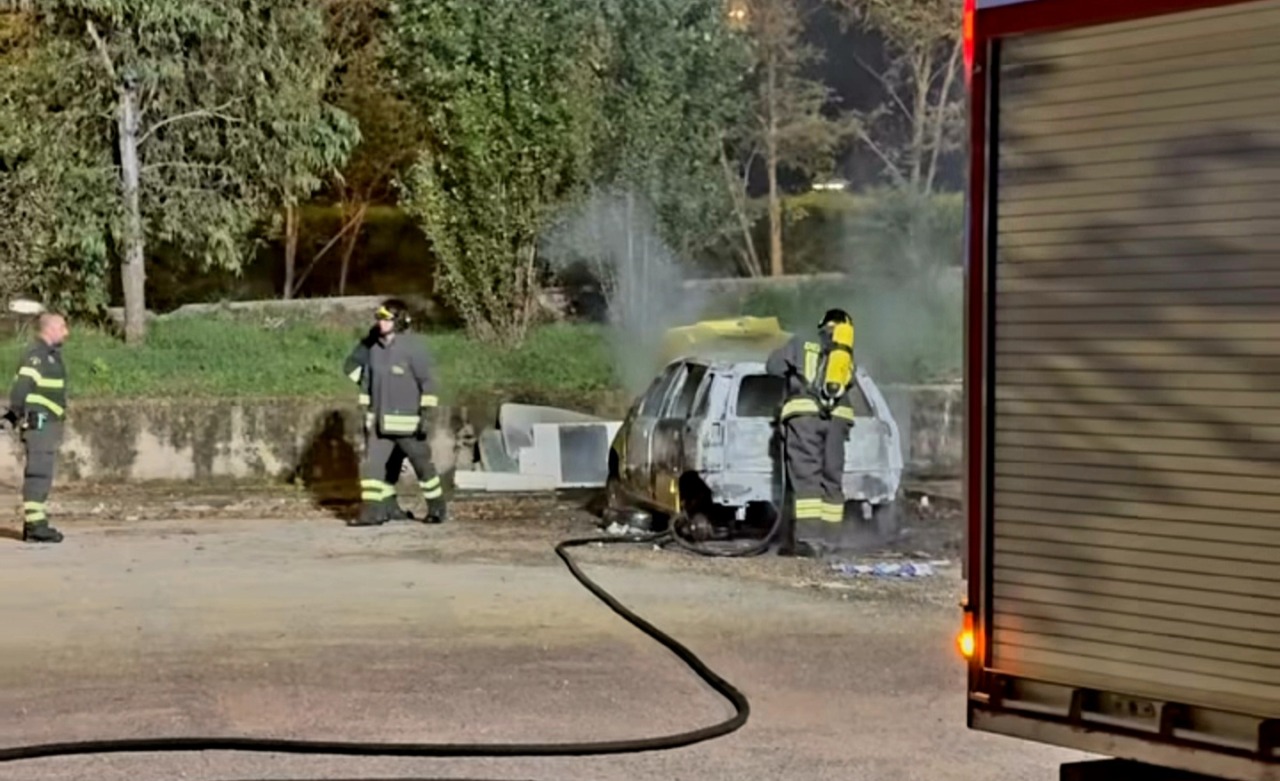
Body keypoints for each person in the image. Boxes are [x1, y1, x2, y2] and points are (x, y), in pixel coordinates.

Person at [765, 308, 856, 557]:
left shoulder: (802, 340)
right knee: (832, 477)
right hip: (838, 418)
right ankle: (831, 539)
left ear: (821, 325)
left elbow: (772, 366)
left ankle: (809, 540)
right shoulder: (845, 351)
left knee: (807, 477)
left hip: (804, 415)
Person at [347, 299, 446, 527]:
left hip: (408, 427)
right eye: (379, 319)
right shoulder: (374, 350)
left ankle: (437, 508)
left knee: (423, 467)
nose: (380, 323)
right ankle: (372, 513)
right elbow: (367, 383)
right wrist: (366, 413)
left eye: (386, 319)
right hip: (380, 426)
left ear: (399, 321)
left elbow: (428, 383)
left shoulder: (414, 349)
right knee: (372, 467)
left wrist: (426, 415)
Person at [4, 312, 70, 543]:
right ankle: (35, 526)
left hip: (47, 422)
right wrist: (14, 414)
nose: (66, 332)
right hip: (39, 422)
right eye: (62, 327)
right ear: (50, 329)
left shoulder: (49, 356)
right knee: (39, 473)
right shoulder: (37, 356)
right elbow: (21, 387)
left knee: (43, 472)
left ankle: (33, 523)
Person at [344, 322, 411, 521]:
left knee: (395, 458)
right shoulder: (371, 346)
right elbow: (351, 367)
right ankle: (377, 508)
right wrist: (374, 384)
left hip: (401, 411)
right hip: (380, 410)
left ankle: (388, 504)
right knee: (379, 460)